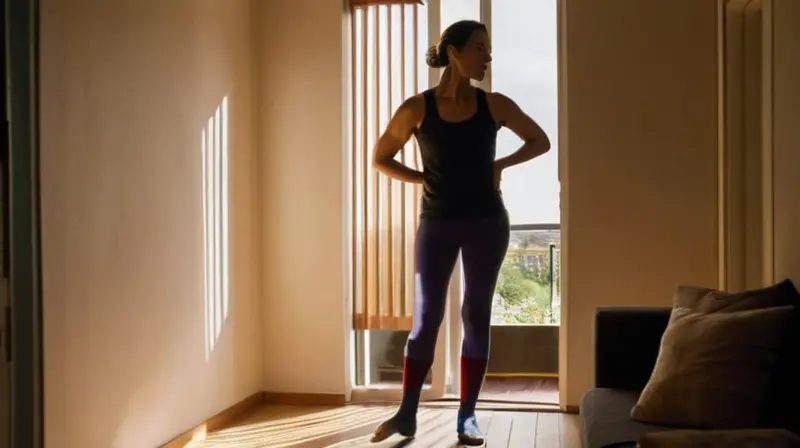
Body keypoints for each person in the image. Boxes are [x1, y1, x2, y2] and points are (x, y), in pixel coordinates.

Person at [369, 19, 551, 445]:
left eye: (488, 50)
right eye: (480, 48)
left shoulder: (494, 104)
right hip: (437, 222)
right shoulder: (418, 108)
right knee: (426, 318)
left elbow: (539, 140)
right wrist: (422, 178)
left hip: (487, 222)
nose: (487, 57)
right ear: (454, 52)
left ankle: (467, 417)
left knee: (476, 314)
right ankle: (407, 415)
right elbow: (381, 156)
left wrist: (499, 165)